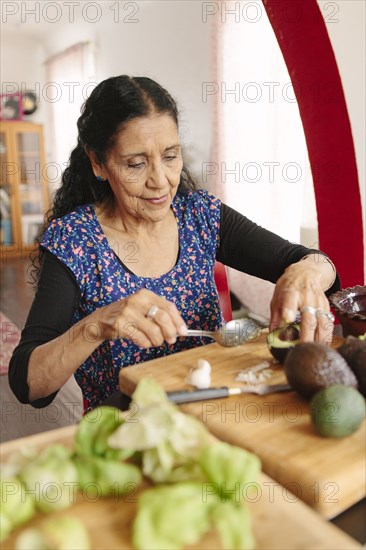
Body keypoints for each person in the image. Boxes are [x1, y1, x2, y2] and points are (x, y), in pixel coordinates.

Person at [9, 75, 340, 411]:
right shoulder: (76, 240)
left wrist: (304, 274)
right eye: (135, 164)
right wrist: (97, 325)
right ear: (98, 162)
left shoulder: (200, 215)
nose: (161, 181)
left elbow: (314, 264)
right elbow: (29, 385)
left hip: (213, 414)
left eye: (170, 156)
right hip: (127, 431)